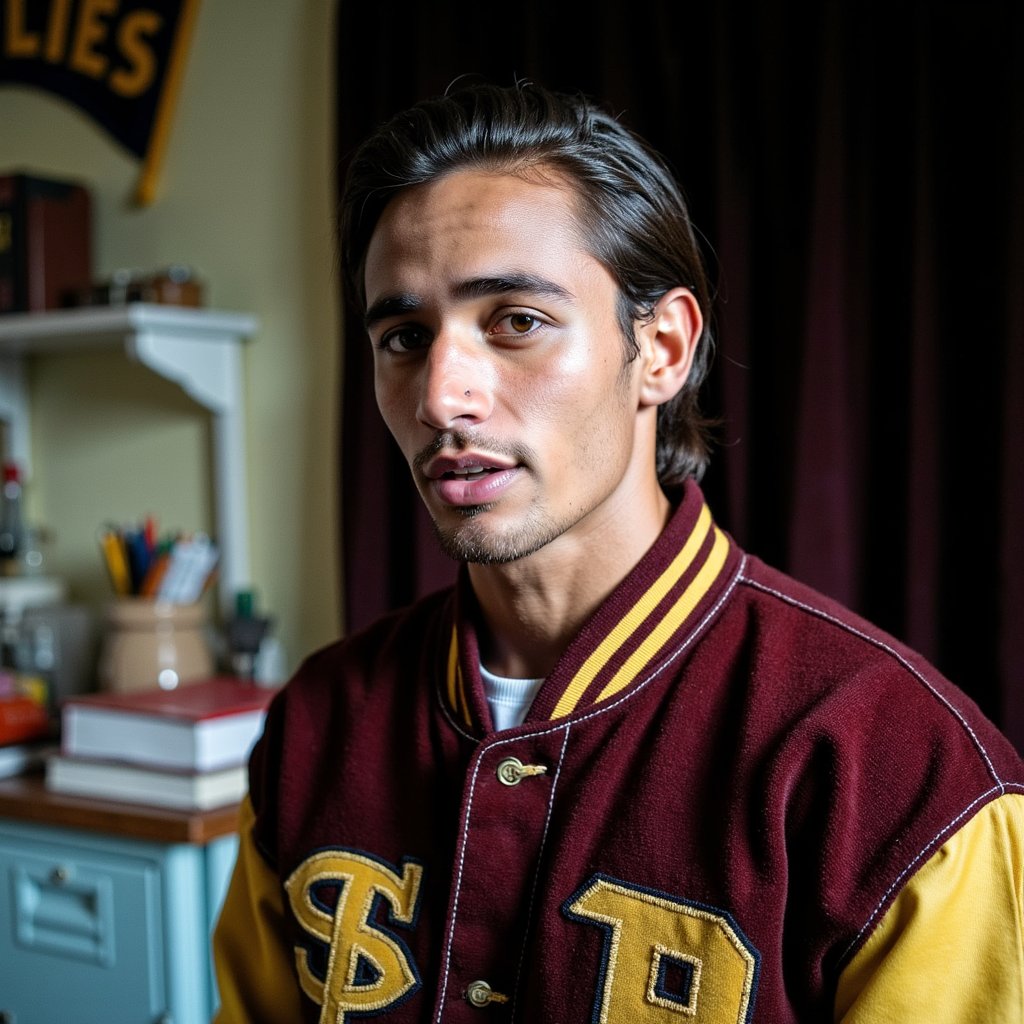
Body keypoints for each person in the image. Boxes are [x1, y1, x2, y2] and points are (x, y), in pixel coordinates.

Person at [212, 81, 1024, 1023]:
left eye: (516, 320)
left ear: (663, 346)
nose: (441, 397)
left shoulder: (905, 778)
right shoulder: (314, 727)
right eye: (404, 337)